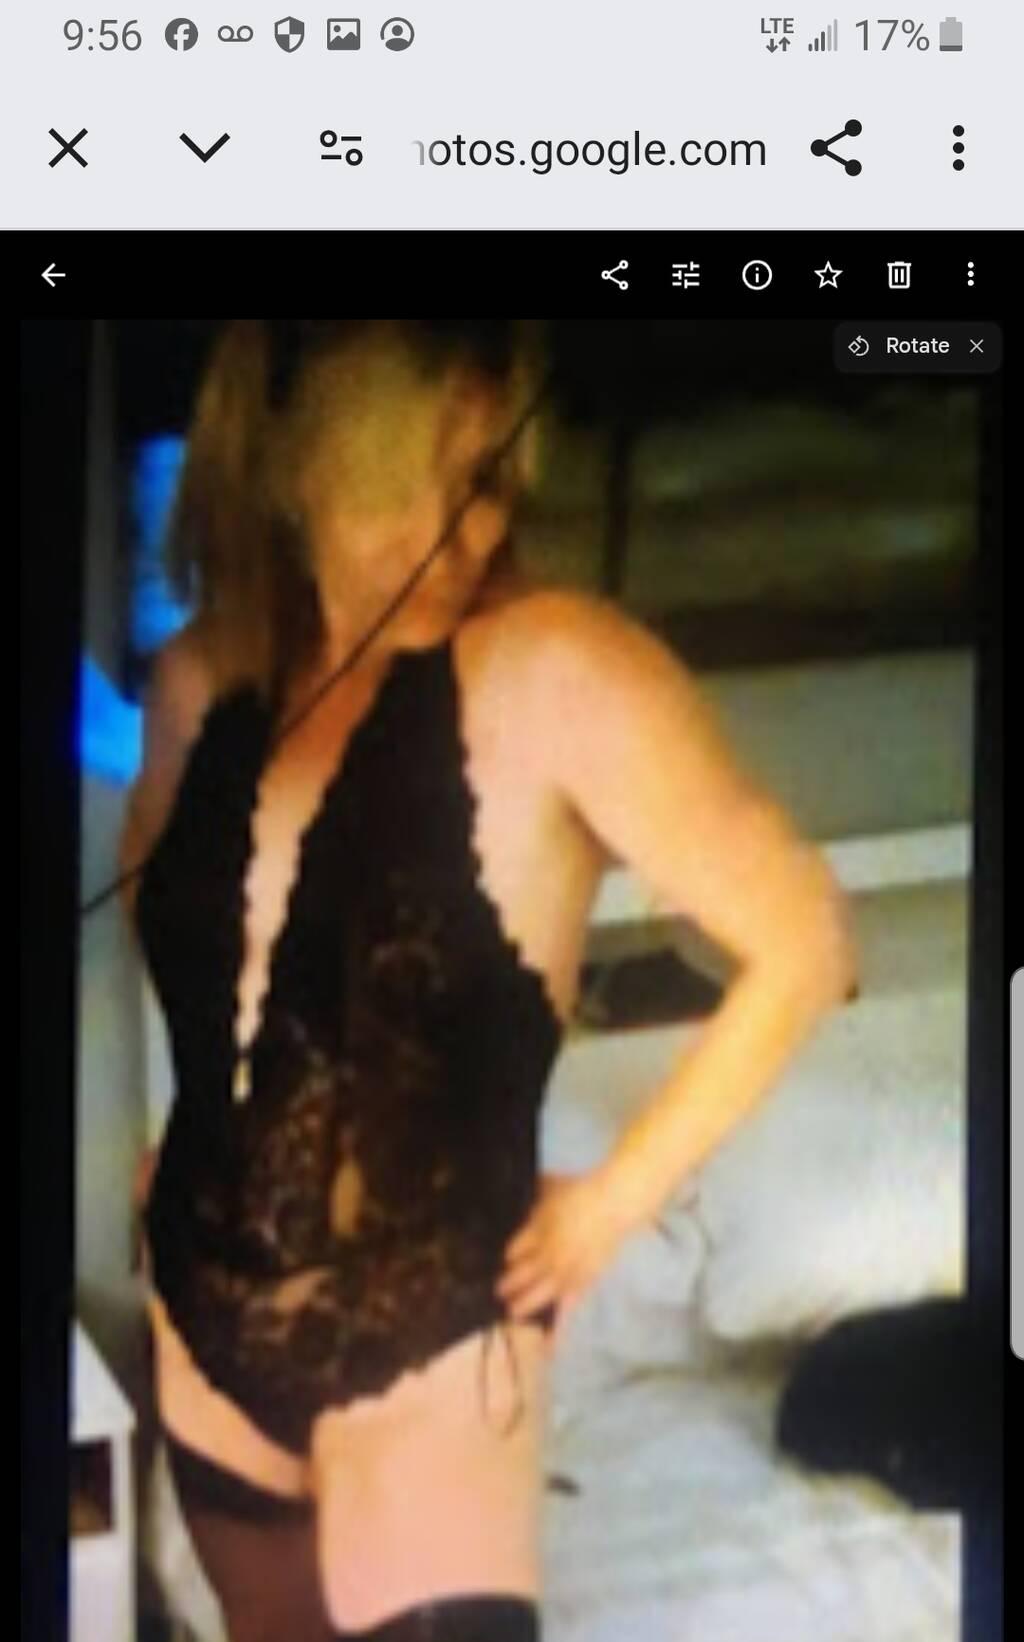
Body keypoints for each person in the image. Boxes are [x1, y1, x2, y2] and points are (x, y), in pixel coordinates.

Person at [119, 319, 857, 1642]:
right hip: (202, 1318)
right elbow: (182, 940)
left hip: (436, 1345)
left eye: (487, 486)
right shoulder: (198, 678)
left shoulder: (558, 667)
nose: (460, 538)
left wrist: (613, 1203)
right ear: (293, 468)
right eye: (408, 485)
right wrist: (180, 1138)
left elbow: (806, 939)